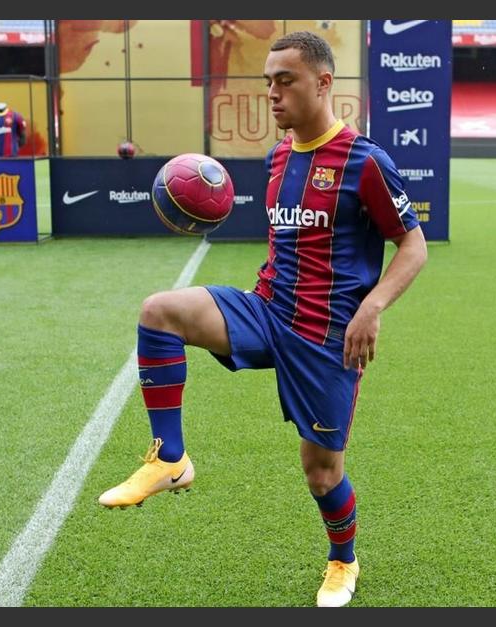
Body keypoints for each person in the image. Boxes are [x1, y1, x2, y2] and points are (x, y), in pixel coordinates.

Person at [98, 31, 428, 608]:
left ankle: (343, 560)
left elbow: (414, 246)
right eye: (268, 81)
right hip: (268, 310)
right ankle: (171, 459)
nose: (272, 93)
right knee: (160, 311)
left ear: (323, 83)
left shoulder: (365, 161)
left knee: (321, 473)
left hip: (327, 339)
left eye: (285, 81)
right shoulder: (279, 156)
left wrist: (371, 307)